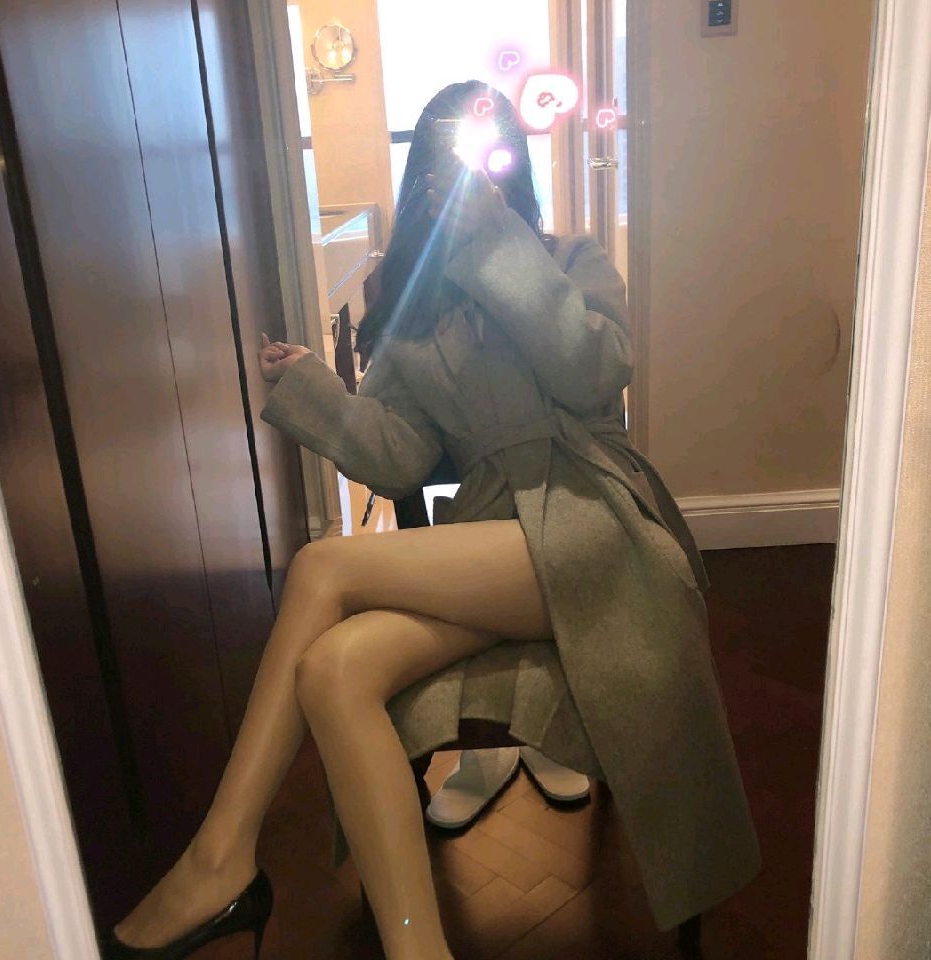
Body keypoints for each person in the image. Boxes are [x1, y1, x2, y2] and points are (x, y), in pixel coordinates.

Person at [104, 80, 760, 960]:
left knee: (322, 566)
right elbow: (400, 459)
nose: (469, 179)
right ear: (422, 182)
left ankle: (218, 859)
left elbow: (592, 372)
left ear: (511, 168)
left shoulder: (570, 258)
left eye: (487, 157)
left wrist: (494, 240)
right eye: (445, 166)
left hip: (594, 525)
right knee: (334, 669)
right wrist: (312, 388)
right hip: (494, 548)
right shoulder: (413, 316)